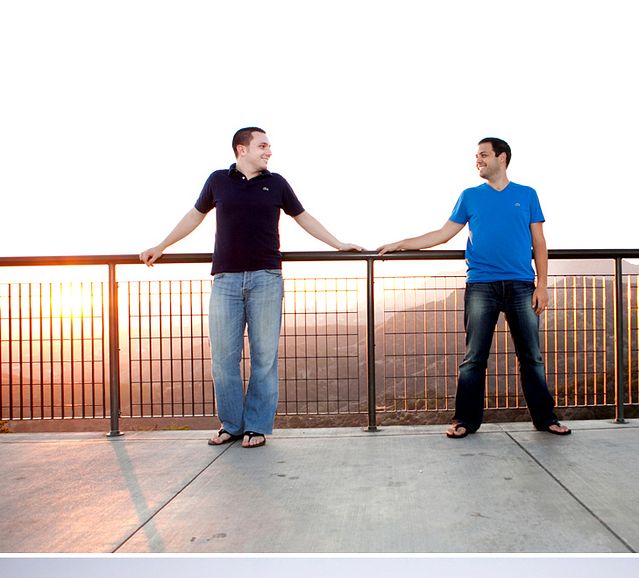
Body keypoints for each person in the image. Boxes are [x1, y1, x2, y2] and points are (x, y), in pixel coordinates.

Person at [140, 127, 362, 448]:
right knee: (223, 359)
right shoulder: (218, 180)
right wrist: (161, 246)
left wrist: (338, 244)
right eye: (263, 146)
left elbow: (304, 217)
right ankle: (231, 424)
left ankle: (256, 426)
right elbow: (194, 216)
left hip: (266, 280)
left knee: (264, 358)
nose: (269, 151)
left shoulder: (277, 183)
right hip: (226, 281)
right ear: (241, 149)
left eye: (269, 146)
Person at [379, 137, 570, 439]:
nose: (478, 160)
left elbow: (540, 242)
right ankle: (464, 421)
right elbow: (443, 234)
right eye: (476, 156)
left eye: (483, 154)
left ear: (501, 158)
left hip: (522, 286)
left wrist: (542, 285)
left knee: (531, 357)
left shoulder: (527, 194)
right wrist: (401, 244)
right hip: (481, 285)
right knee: (474, 358)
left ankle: (545, 419)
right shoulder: (469, 196)